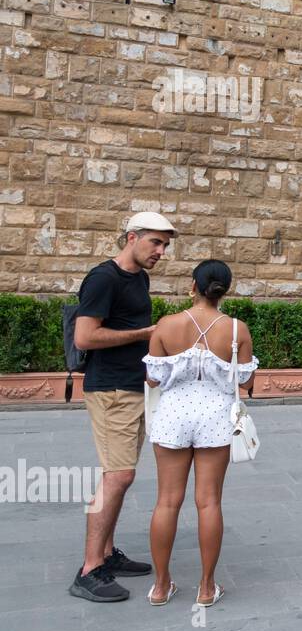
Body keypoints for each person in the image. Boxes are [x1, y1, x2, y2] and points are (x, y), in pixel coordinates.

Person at [69, 211, 175, 603]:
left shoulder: (138, 277)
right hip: (111, 389)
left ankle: (108, 554)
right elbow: (85, 337)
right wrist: (148, 333)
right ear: (132, 237)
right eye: (155, 242)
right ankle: (89, 568)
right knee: (118, 476)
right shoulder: (103, 278)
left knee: (118, 474)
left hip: (132, 386)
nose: (161, 252)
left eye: (165, 245)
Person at [143, 260, 257, 608]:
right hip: (215, 415)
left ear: (193, 285)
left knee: (167, 501)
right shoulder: (238, 330)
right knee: (208, 501)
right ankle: (207, 587)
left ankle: (161, 586)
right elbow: (246, 382)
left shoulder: (166, 325)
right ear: (225, 289)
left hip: (174, 414)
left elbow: (151, 379)